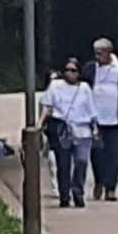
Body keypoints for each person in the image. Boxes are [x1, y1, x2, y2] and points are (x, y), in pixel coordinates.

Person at [38, 60, 95, 207]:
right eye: (67, 70)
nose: (70, 73)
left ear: (79, 73)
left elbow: (92, 110)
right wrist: (40, 123)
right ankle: (64, 194)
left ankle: (78, 191)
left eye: (73, 70)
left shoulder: (85, 88)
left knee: (81, 161)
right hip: (62, 129)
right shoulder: (56, 86)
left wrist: (95, 128)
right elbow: (47, 106)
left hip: (82, 130)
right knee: (63, 164)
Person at [88, 39, 118, 206]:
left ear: (109, 52)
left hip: (115, 119)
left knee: (114, 153)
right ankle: (99, 180)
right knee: (96, 153)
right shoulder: (90, 68)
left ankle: (110, 187)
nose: (97, 56)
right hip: (95, 119)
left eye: (100, 53)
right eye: (95, 53)